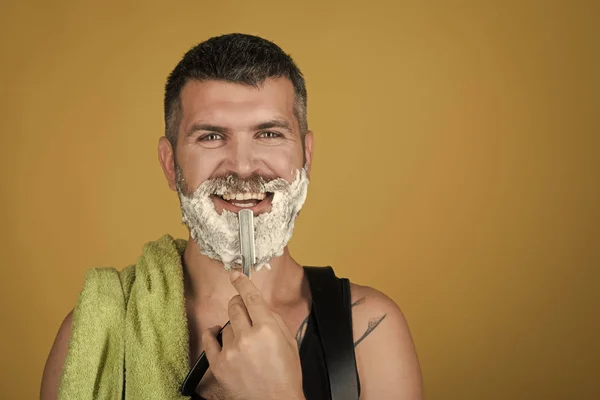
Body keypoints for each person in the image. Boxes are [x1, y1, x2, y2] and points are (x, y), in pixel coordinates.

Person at [40, 33, 422, 400]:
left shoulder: (369, 330)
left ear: (305, 155)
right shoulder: (98, 331)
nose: (242, 167)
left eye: (269, 134)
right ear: (170, 163)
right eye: (210, 136)